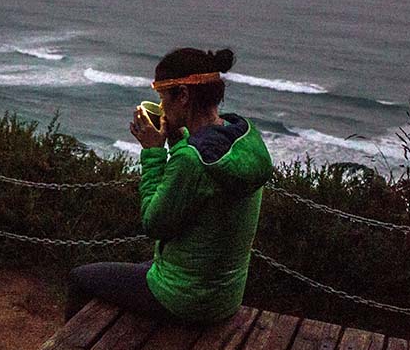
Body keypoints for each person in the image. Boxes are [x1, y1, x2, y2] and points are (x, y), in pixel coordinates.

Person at [64, 47, 273, 324]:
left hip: (185, 300)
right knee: (137, 270)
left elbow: (154, 224)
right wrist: (175, 139)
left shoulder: (191, 160)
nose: (161, 107)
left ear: (183, 95)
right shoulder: (243, 136)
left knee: (80, 278)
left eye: (163, 98)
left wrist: (152, 152)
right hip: (224, 296)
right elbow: (200, 183)